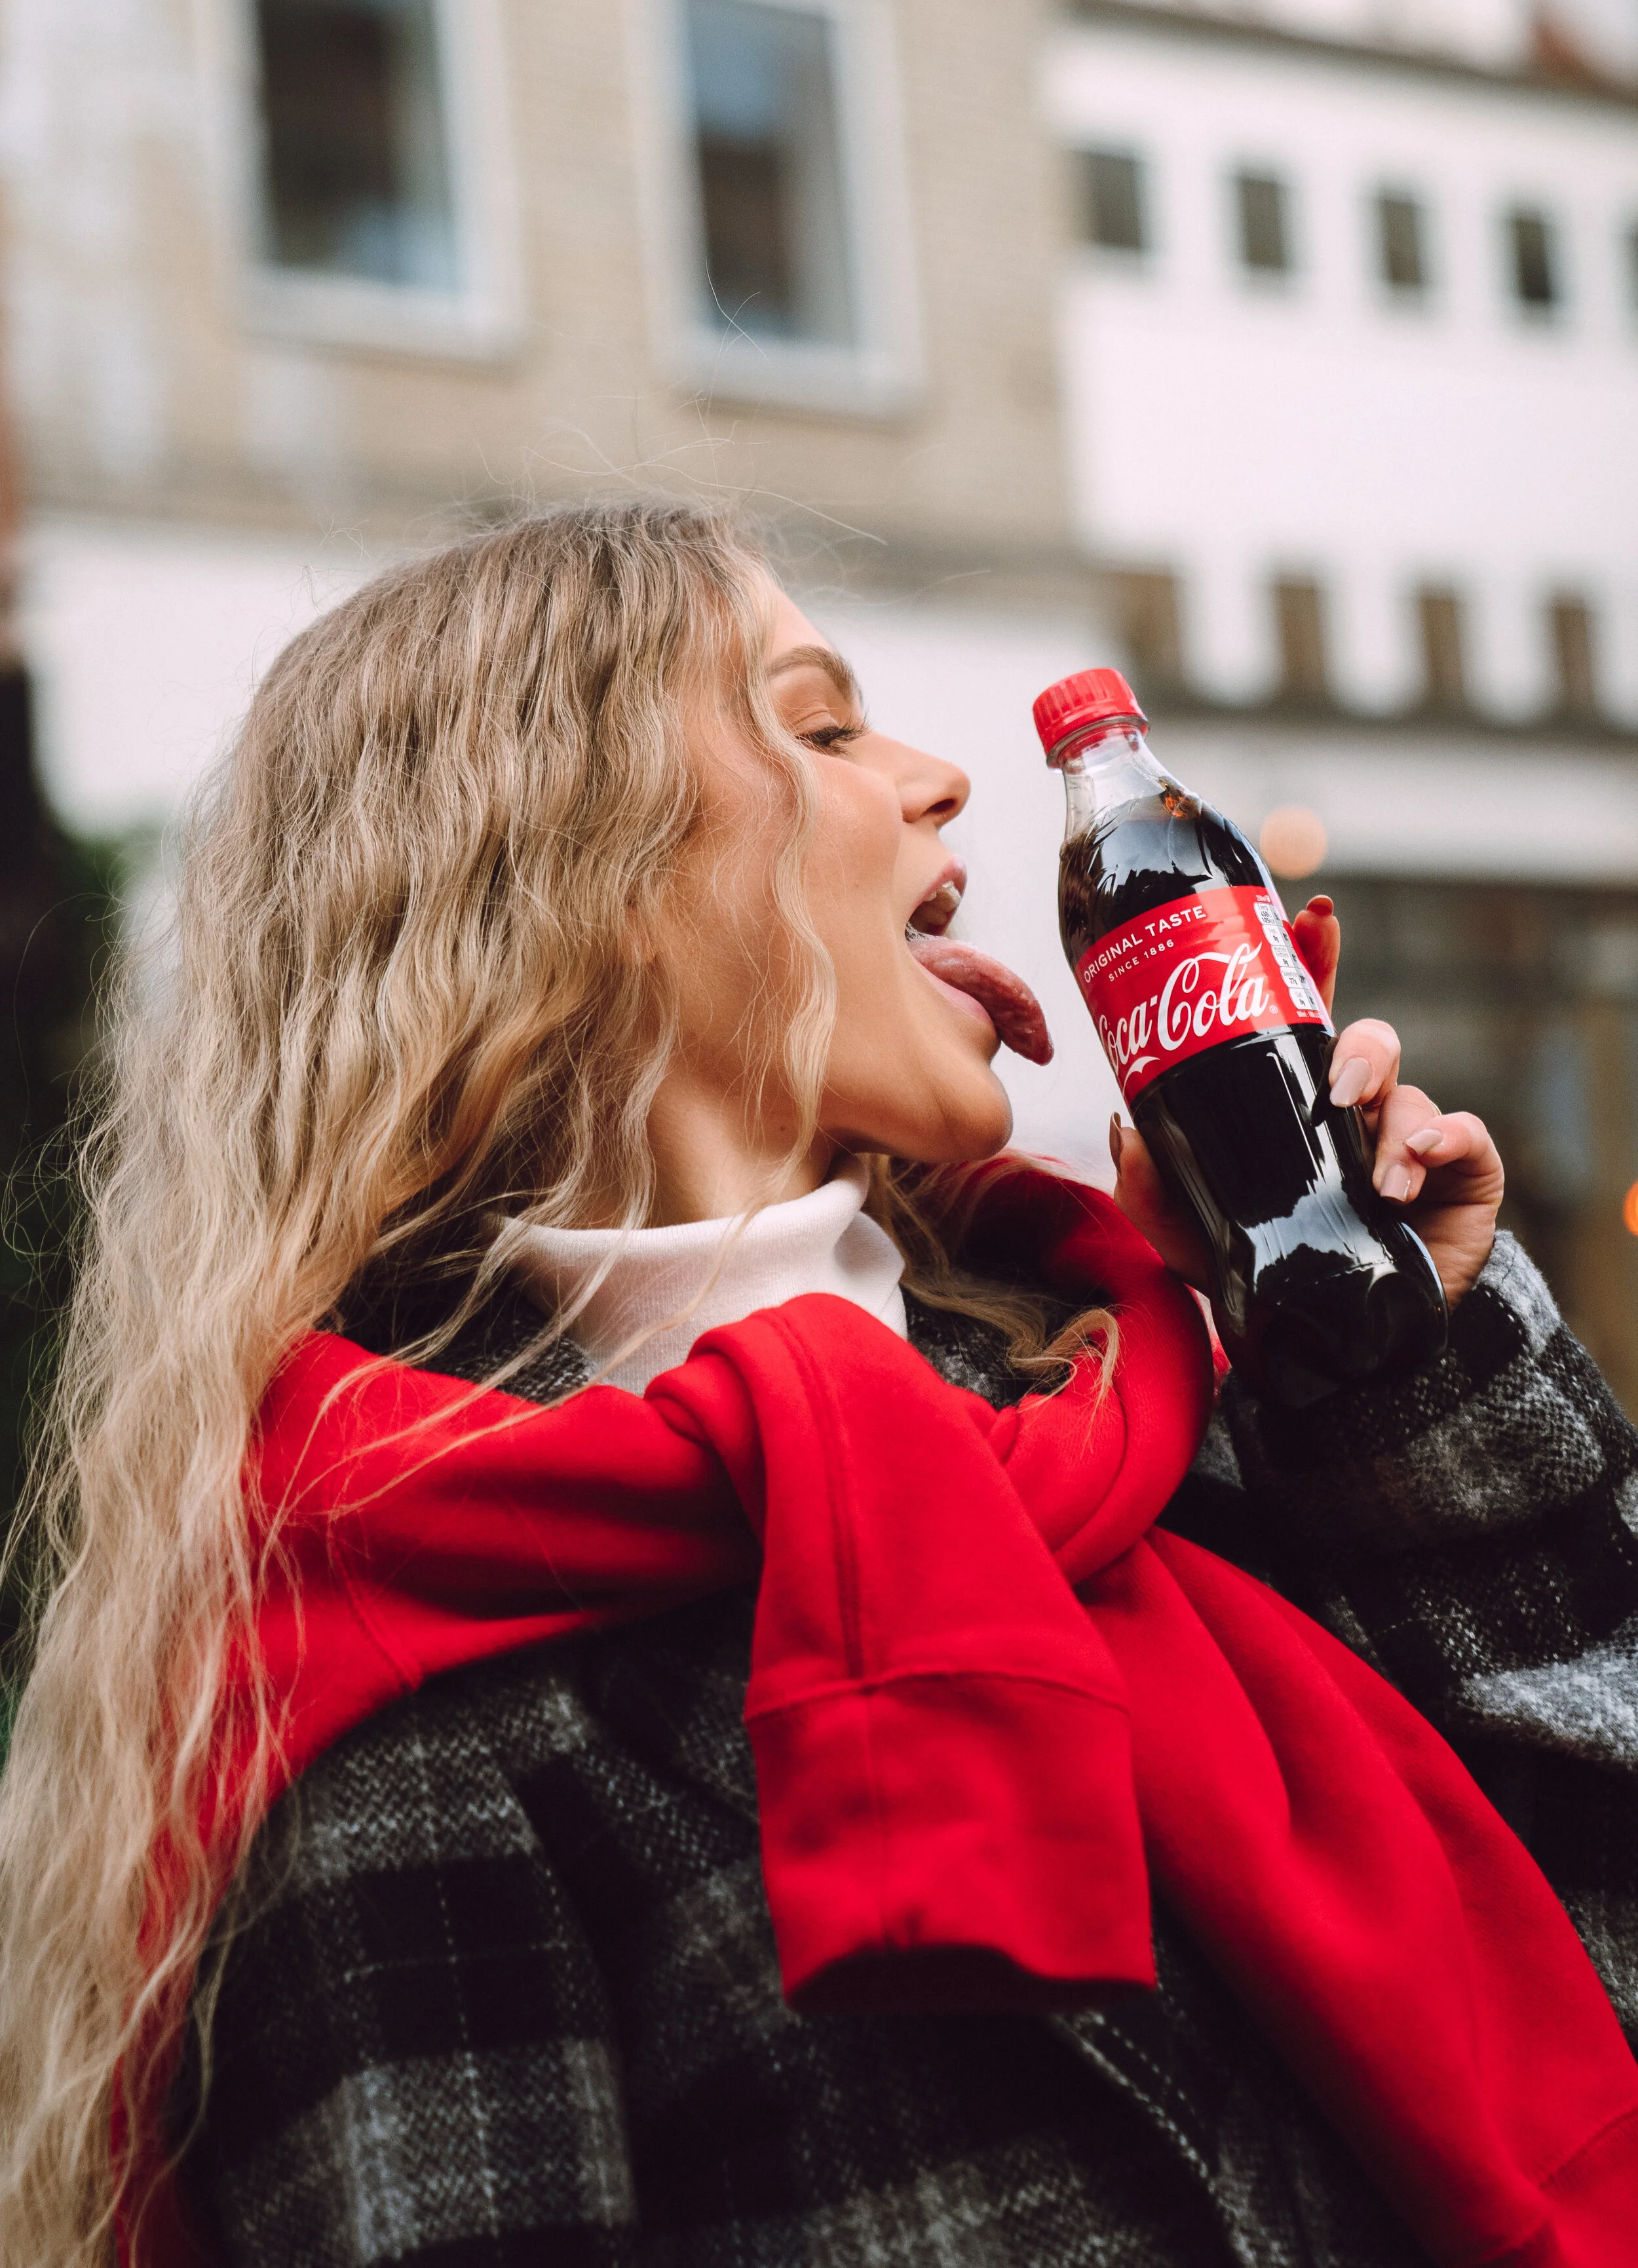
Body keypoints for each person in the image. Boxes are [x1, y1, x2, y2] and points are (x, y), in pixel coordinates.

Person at [1, 497, 1635, 2268]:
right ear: (572, 872)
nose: (940, 779)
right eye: (822, 726)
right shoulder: (410, 1728)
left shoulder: (1135, 1420)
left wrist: (1405, 1377)